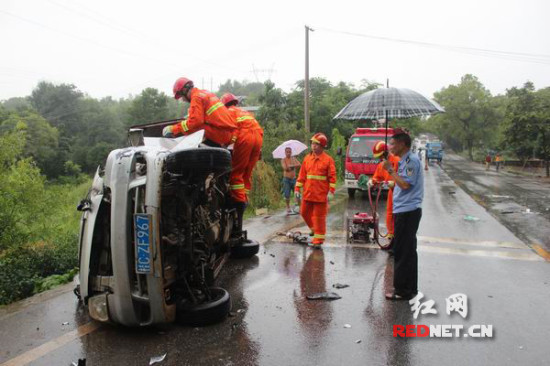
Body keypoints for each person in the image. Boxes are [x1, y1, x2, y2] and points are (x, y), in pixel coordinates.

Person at [382, 131, 424, 300]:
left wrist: (390, 171)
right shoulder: (404, 160)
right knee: (408, 251)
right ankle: (410, 288)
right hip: (405, 209)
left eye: (393, 144)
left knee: (402, 251)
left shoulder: (410, 160)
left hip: (408, 211)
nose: (390, 147)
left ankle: (402, 291)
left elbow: (406, 184)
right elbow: (402, 183)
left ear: (402, 144)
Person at [163, 77, 237, 147]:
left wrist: (173, 129)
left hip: (222, 135)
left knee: (195, 127)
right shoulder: (204, 93)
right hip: (227, 133)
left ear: (184, 91)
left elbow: (195, 122)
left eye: (181, 97)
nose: (183, 100)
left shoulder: (196, 97)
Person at [220, 93, 264, 206]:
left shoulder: (229, 112)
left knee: (236, 172)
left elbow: (233, 131)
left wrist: (225, 144)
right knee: (247, 172)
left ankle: (239, 201)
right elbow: (259, 129)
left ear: (224, 104)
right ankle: (245, 197)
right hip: (258, 138)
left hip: (245, 138)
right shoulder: (246, 112)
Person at [294, 133, 336, 248]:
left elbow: (332, 177)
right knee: (303, 212)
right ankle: (314, 230)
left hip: (320, 195)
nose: (313, 146)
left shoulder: (328, 160)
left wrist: (331, 191)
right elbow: (302, 175)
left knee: (319, 218)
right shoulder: (307, 158)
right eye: (313, 144)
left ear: (322, 146)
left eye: (316, 144)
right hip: (308, 193)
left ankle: (318, 240)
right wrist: (297, 188)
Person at [368, 140, 400, 246]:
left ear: (385, 153)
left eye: (381, 156)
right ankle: (391, 235)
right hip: (392, 192)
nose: (379, 158)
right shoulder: (382, 165)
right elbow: (377, 177)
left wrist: (394, 183)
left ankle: (398, 236)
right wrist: (371, 182)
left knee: (398, 214)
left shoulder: (397, 160)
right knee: (390, 213)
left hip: (401, 193)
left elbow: (404, 178)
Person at [281, 147, 301, 215]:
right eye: (287, 152)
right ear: (285, 152)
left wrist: (293, 165)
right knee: (287, 194)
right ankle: (288, 207)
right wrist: (288, 167)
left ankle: (299, 206)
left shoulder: (293, 158)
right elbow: (285, 168)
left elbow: (299, 164)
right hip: (286, 179)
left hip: (294, 179)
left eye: (289, 152)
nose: (288, 153)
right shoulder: (283, 160)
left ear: (291, 152)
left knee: (297, 193)